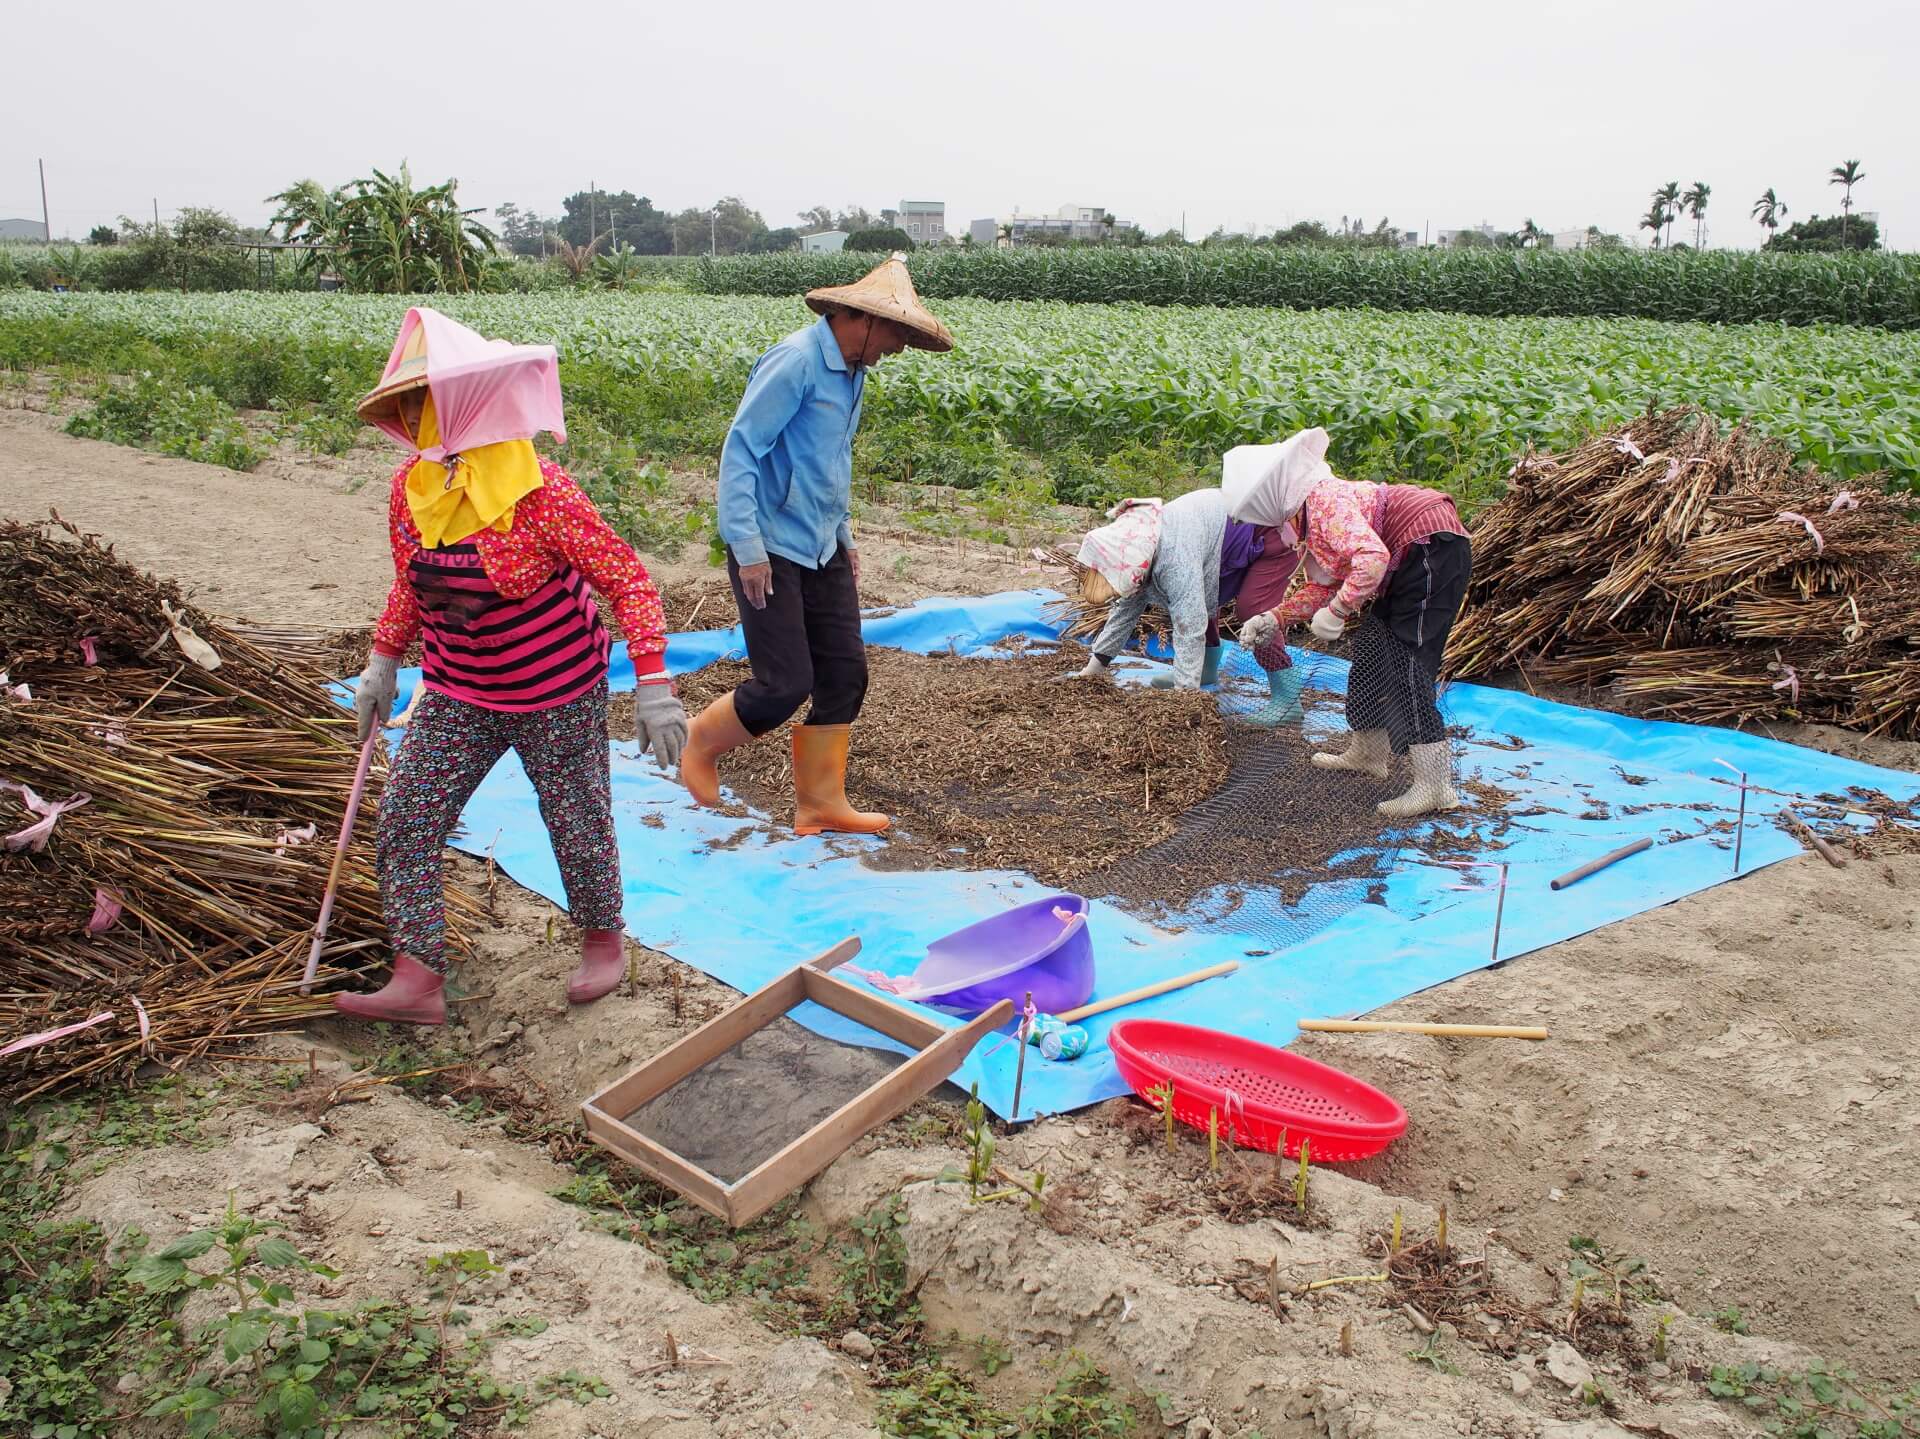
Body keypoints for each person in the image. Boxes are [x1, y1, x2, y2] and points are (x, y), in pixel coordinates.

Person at [339, 308, 688, 1025]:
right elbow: (411, 582)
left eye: (422, 402)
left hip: (556, 687)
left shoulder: (540, 493)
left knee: (575, 817)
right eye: (406, 408)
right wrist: (382, 660)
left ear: (462, 404)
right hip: (459, 687)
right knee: (406, 816)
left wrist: (654, 680)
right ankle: (418, 974)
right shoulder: (413, 489)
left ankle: (601, 940)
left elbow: (627, 579)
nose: (411, 419)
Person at [679, 256, 954, 834]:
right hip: (771, 543)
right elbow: (742, 451)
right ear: (859, 319)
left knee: (846, 675)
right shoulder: (797, 362)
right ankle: (701, 743)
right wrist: (747, 547)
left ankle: (820, 805)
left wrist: (845, 535)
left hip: (822, 544)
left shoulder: (853, 372)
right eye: (897, 333)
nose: (899, 347)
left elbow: (830, 461)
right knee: (785, 684)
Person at [1222, 427, 1472, 818]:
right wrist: (1274, 617)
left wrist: (1339, 611)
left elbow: (1371, 560)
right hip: (1411, 556)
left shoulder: (1323, 500)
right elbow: (1326, 585)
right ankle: (1369, 753)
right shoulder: (1313, 519)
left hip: (1430, 549)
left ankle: (1434, 786)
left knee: (1407, 664)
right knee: (1372, 650)